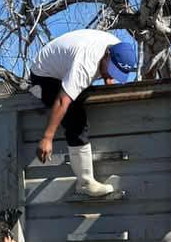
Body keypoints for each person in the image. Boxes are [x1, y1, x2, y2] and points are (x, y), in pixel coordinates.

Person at [28, 29, 138, 198]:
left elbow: (106, 70)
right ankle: (85, 183)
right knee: (75, 118)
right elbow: (62, 101)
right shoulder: (86, 63)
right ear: (107, 55)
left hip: (65, 66)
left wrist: (108, 78)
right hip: (43, 77)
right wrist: (47, 137)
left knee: (81, 95)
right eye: (111, 71)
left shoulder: (116, 47)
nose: (110, 76)